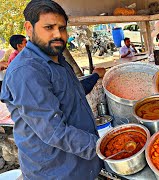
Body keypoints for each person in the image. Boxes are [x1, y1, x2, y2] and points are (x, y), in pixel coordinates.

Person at [0, 0, 105, 179]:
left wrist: (94, 76)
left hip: (81, 165)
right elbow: (54, 131)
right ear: (29, 28)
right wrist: (104, 147)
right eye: (49, 27)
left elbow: (74, 92)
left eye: (62, 28)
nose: (58, 34)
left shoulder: (58, 60)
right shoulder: (26, 71)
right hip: (56, 172)